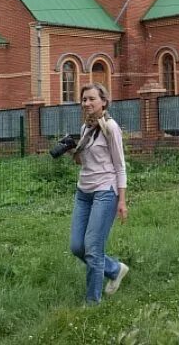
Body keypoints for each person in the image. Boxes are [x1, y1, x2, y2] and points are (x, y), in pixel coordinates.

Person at [69, 83, 129, 305]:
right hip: (83, 192)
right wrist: (73, 152)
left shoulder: (111, 128)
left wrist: (121, 200)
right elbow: (86, 162)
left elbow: (120, 165)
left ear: (103, 102)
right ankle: (115, 269)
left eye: (92, 99)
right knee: (78, 247)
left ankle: (92, 303)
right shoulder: (86, 128)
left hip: (105, 192)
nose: (87, 103)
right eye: (84, 99)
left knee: (93, 249)